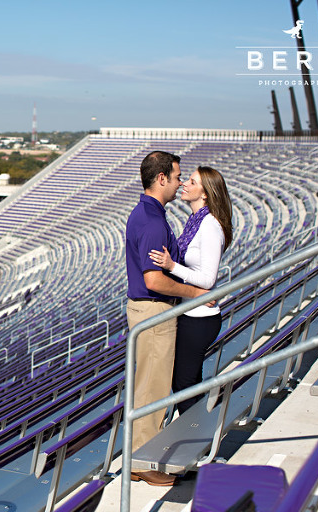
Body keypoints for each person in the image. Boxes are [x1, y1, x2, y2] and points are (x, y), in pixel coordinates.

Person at [125, 151, 212, 487]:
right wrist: (196, 294)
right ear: (161, 178)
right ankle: (143, 461)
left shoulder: (148, 214)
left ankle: (141, 455)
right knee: (153, 388)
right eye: (177, 177)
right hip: (155, 310)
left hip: (150, 310)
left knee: (150, 384)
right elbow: (153, 280)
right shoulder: (151, 221)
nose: (179, 182)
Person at [149, 166, 233, 414]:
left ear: (205, 193)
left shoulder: (210, 226)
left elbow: (207, 280)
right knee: (189, 383)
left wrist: (171, 266)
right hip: (190, 313)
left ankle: (193, 439)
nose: (184, 183)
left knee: (184, 384)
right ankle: (198, 435)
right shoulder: (196, 221)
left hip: (200, 319)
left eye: (192, 182)